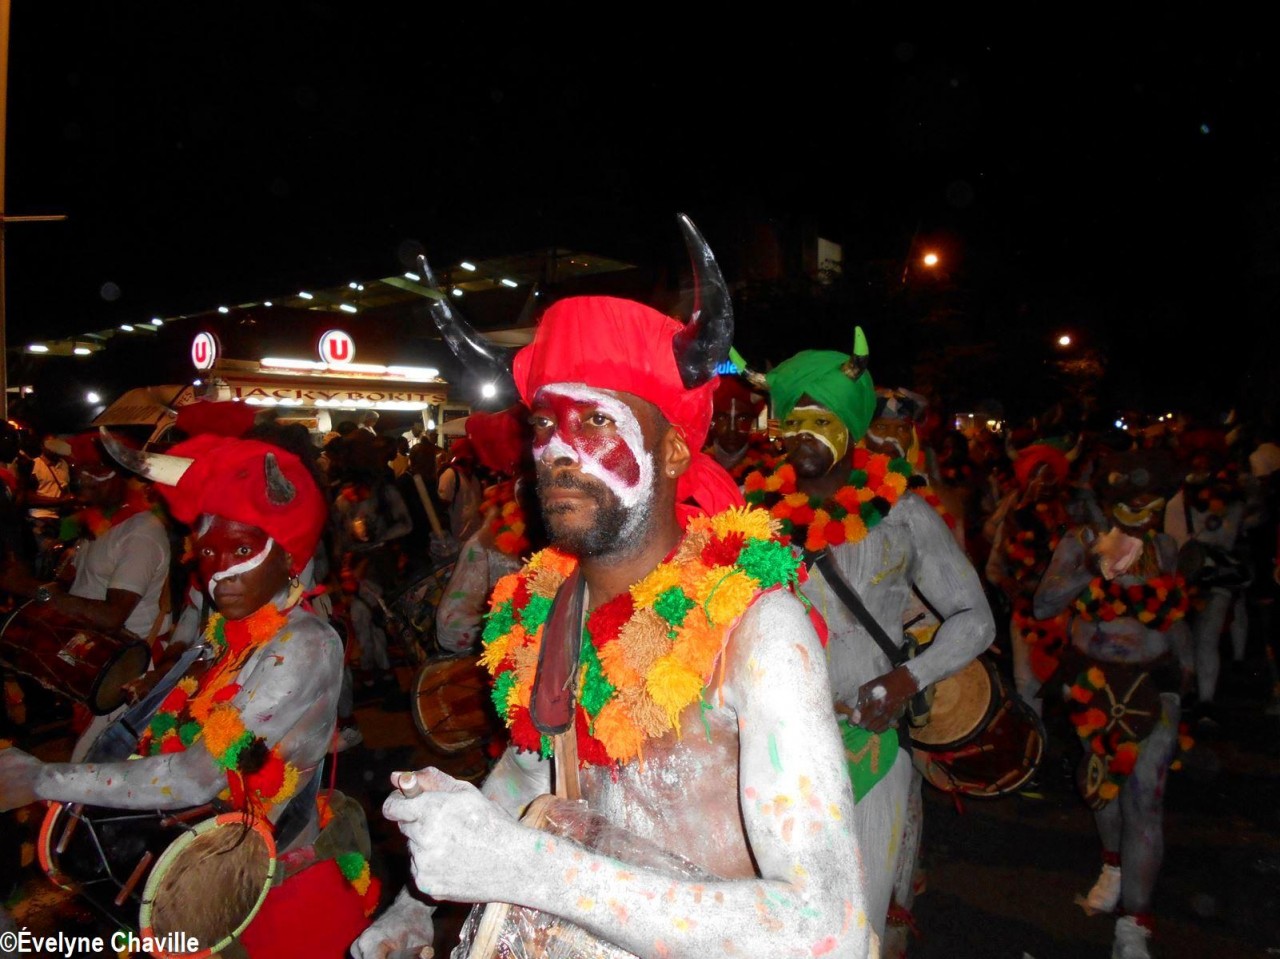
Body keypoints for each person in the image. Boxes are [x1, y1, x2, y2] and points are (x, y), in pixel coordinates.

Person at [354, 216, 871, 959]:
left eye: (596, 420)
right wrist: (415, 902)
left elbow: (828, 928)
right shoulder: (547, 611)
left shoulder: (758, 631)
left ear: (672, 449)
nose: (558, 452)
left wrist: (528, 868)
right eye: (544, 424)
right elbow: (530, 769)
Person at [0, 432, 374, 958]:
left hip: (263, 875)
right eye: (210, 553)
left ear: (289, 555)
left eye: (241, 551)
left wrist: (44, 778)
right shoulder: (227, 627)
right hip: (196, 853)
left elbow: (197, 777)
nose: (221, 575)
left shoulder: (305, 644)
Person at [743, 332, 994, 956]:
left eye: (819, 419)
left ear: (852, 425)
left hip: (870, 744)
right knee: (779, 918)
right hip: (770, 748)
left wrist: (907, 680)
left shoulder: (904, 514)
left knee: (860, 919)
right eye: (792, 420)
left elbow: (975, 620)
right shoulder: (751, 515)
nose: (801, 434)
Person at [1034, 448, 1191, 959]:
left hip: (1152, 684)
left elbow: (1174, 616)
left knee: (1146, 799)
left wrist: (1184, 674)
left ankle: (1135, 923)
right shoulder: (1081, 541)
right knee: (1103, 785)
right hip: (1094, 685)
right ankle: (1112, 865)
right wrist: (1094, 566)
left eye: (1151, 501)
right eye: (1131, 499)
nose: (1141, 510)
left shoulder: (1164, 546)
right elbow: (1044, 603)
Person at [1163, 428, 1249, 724]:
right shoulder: (1176, 503)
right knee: (1184, 640)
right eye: (1196, 460)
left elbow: (1226, 540)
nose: (1201, 466)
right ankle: (1189, 693)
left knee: (1206, 639)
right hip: (1184, 581)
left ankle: (1205, 701)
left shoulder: (1231, 503)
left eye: (1207, 460)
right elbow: (1173, 546)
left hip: (1214, 579)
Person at [436, 436, 482, 541]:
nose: (471, 460)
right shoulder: (450, 475)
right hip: (456, 538)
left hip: (474, 538)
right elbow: (442, 508)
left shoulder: (474, 478)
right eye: (468, 457)